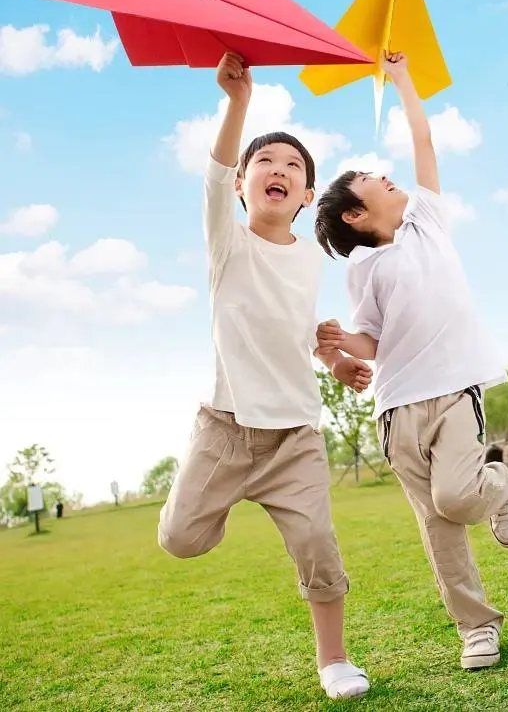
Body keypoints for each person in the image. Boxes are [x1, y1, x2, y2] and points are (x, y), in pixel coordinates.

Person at [158, 53, 371, 700]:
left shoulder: (310, 260)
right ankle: (223, 498)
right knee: (179, 540)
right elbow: (212, 177)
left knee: (317, 545)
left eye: (293, 166)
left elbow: (300, 335)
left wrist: (336, 360)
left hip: (294, 436)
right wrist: (237, 104)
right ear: (244, 186)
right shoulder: (227, 242)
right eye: (264, 163)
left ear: (307, 196)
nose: (277, 169)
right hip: (225, 431)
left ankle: (333, 660)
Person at [314, 52, 508, 670]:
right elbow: (373, 342)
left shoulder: (428, 220)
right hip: (395, 410)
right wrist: (335, 345)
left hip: (456, 392)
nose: (387, 176)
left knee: (460, 497)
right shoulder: (362, 268)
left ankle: (502, 485)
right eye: (372, 179)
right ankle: (476, 628)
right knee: (439, 527)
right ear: (357, 214)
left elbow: (422, 137)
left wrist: (403, 78)